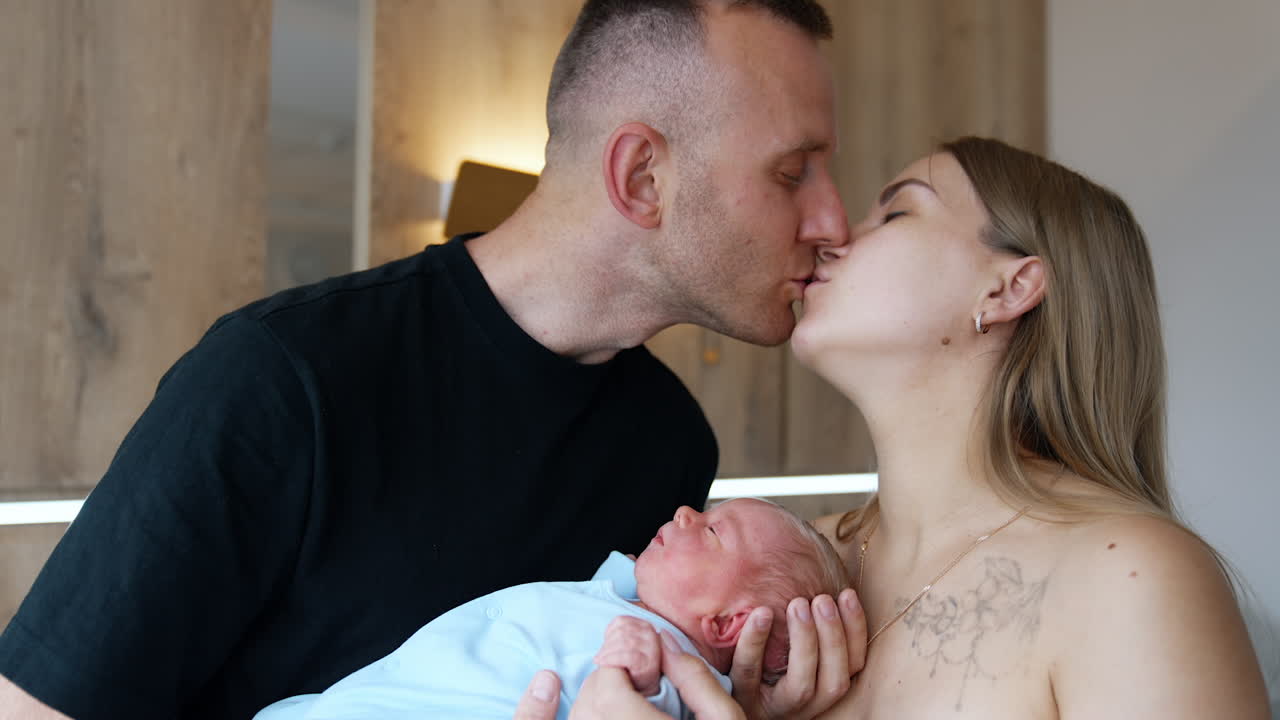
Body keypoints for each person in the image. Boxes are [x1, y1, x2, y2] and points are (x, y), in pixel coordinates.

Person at [0, 1, 866, 718]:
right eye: (793, 173)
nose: (834, 223)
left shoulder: (670, 443)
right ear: (642, 177)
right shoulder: (280, 381)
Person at [515, 138, 1273, 719]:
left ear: (1009, 287)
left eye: (897, 212)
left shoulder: (1128, 577)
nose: (832, 235)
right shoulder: (784, 573)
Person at [253, 499, 849, 719]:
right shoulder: (622, 598)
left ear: (725, 624)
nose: (687, 514)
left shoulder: (671, 661)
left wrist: (646, 680)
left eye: (714, 532)